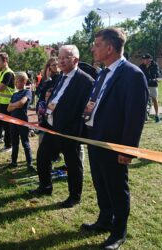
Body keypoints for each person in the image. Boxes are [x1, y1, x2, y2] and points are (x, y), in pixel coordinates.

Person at [81, 28, 148, 250]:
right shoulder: (103, 72)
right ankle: (104, 220)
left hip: (114, 143)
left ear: (109, 48)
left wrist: (127, 150)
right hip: (95, 138)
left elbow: (134, 117)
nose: (93, 48)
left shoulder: (133, 74)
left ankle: (118, 233)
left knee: (117, 188)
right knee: (101, 183)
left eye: (97, 44)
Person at [29, 45, 94, 210]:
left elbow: (86, 109)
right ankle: (45, 187)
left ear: (76, 60)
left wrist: (76, 129)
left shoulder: (85, 80)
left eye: (66, 57)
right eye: (59, 57)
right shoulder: (60, 77)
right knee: (42, 156)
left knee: (73, 164)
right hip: (52, 127)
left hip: (69, 131)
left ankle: (74, 197)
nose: (61, 61)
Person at [7, 72, 35, 171]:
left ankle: (29, 163)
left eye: (18, 81)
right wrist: (16, 104)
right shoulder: (14, 94)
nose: (16, 83)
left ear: (24, 81)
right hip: (13, 122)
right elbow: (8, 109)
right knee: (14, 143)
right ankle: (14, 162)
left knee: (25, 143)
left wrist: (14, 105)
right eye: (15, 81)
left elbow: (21, 103)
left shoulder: (27, 92)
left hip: (23, 121)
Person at [139, 53, 160, 122]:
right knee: (144, 100)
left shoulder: (154, 65)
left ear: (149, 59)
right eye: (143, 59)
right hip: (145, 85)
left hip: (153, 85)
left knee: (154, 99)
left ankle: (157, 115)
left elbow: (157, 74)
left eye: (145, 59)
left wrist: (154, 78)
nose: (144, 60)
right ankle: (145, 116)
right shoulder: (141, 66)